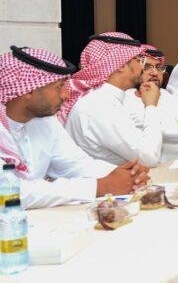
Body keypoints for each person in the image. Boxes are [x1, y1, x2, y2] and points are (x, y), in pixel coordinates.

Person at [0, 46, 149, 209]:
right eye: (59, 86)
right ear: (29, 90)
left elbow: (76, 165)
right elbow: (9, 193)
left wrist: (127, 176)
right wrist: (99, 187)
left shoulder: (45, 122)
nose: (66, 94)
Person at [63, 33, 166, 167]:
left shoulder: (104, 100)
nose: (142, 67)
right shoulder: (100, 106)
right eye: (138, 60)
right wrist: (151, 106)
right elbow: (148, 158)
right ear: (121, 65)